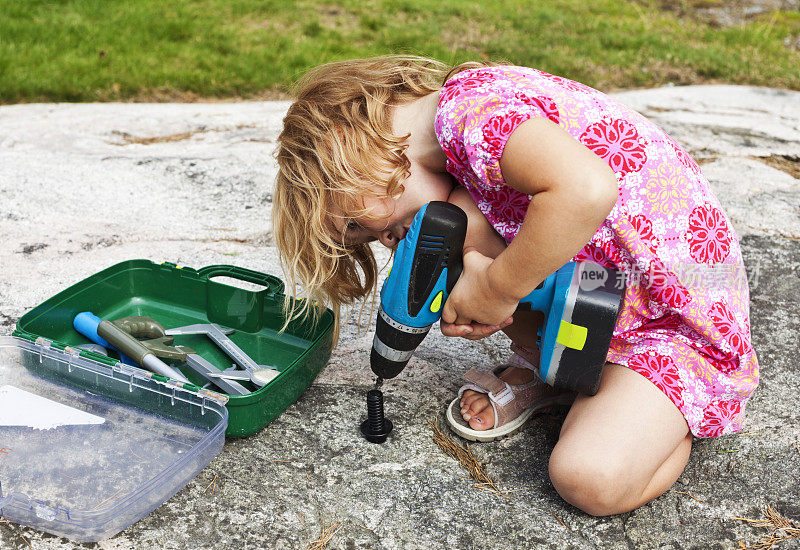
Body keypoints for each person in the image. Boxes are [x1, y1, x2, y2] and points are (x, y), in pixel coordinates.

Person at [272, 56, 758, 516]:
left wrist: (498, 289)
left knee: (587, 478)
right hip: (601, 295)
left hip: (673, 324)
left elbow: (587, 190)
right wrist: (485, 282)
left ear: (340, 144)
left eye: (358, 225)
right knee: (454, 231)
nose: (382, 239)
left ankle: (675, 414)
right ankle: (550, 369)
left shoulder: (472, 112)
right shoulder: (453, 152)